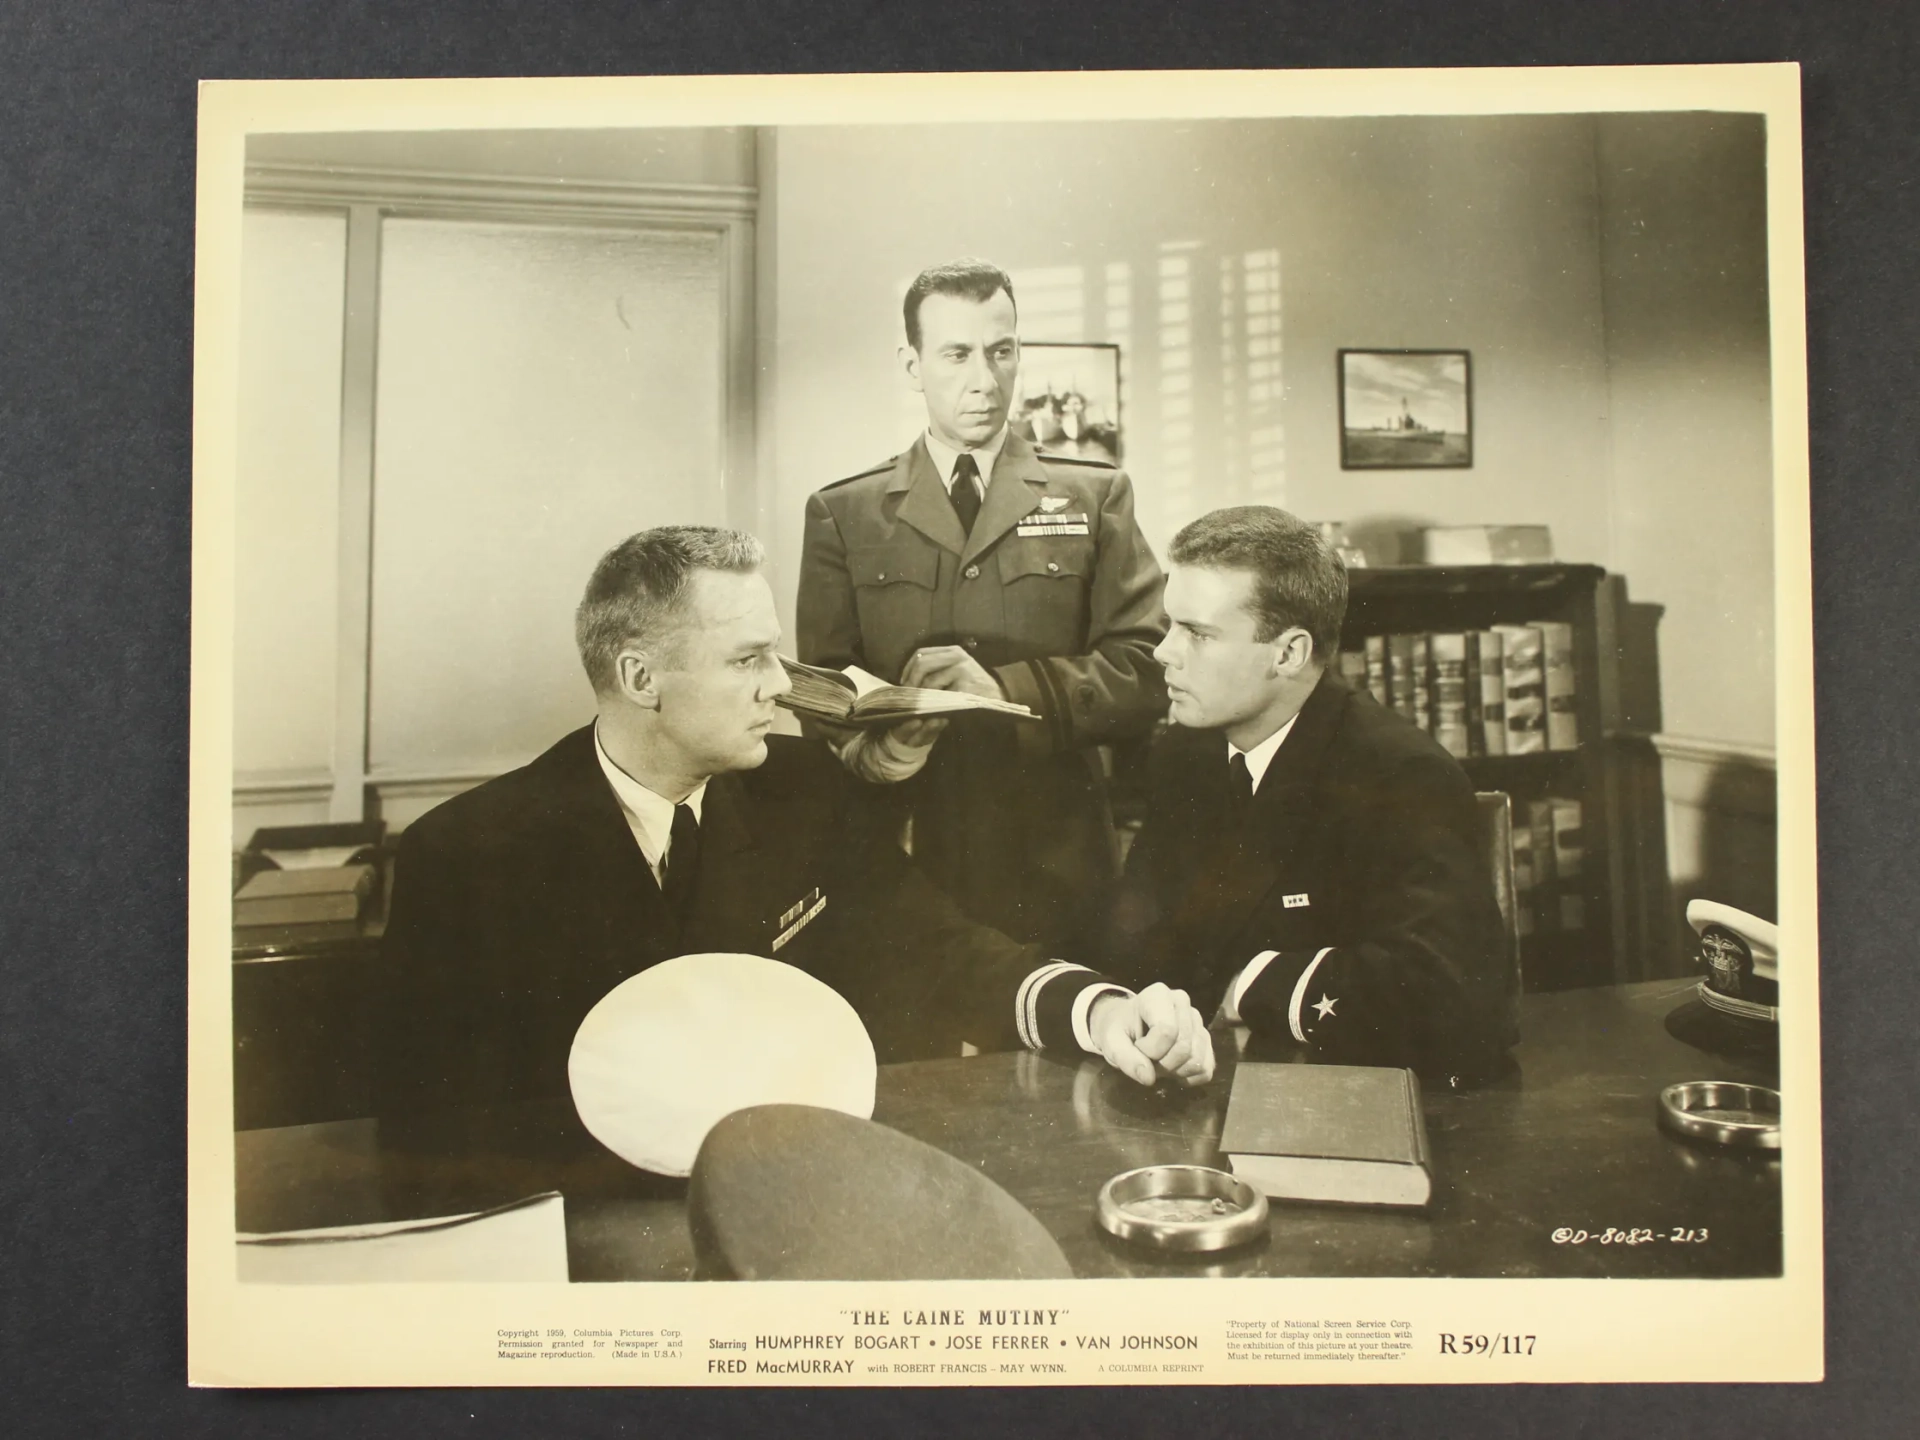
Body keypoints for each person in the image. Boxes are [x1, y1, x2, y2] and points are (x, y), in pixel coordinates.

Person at [375, 526, 1211, 1123]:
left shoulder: (801, 789)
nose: (782, 686)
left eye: (772, 652)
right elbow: (437, 1129)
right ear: (640, 677)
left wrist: (1101, 1013)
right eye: (747, 660)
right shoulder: (466, 859)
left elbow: (938, 948)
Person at [797, 258, 1167, 960]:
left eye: (1002, 352)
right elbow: (819, 690)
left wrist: (1002, 690)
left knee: (1067, 1046)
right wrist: (876, 753)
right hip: (903, 843)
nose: (985, 380)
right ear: (912, 365)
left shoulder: (1095, 496)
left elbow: (1146, 670)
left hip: (1057, 851)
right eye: (957, 354)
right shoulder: (843, 512)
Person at [1105, 506, 1518, 1085]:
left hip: (1368, 1103)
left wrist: (1242, 989)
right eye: (1171, 625)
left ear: (1289, 653)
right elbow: (1143, 938)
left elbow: (1448, 995)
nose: (1163, 652)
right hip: (1217, 1086)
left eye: (1196, 633)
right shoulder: (1186, 753)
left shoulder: (1399, 774)